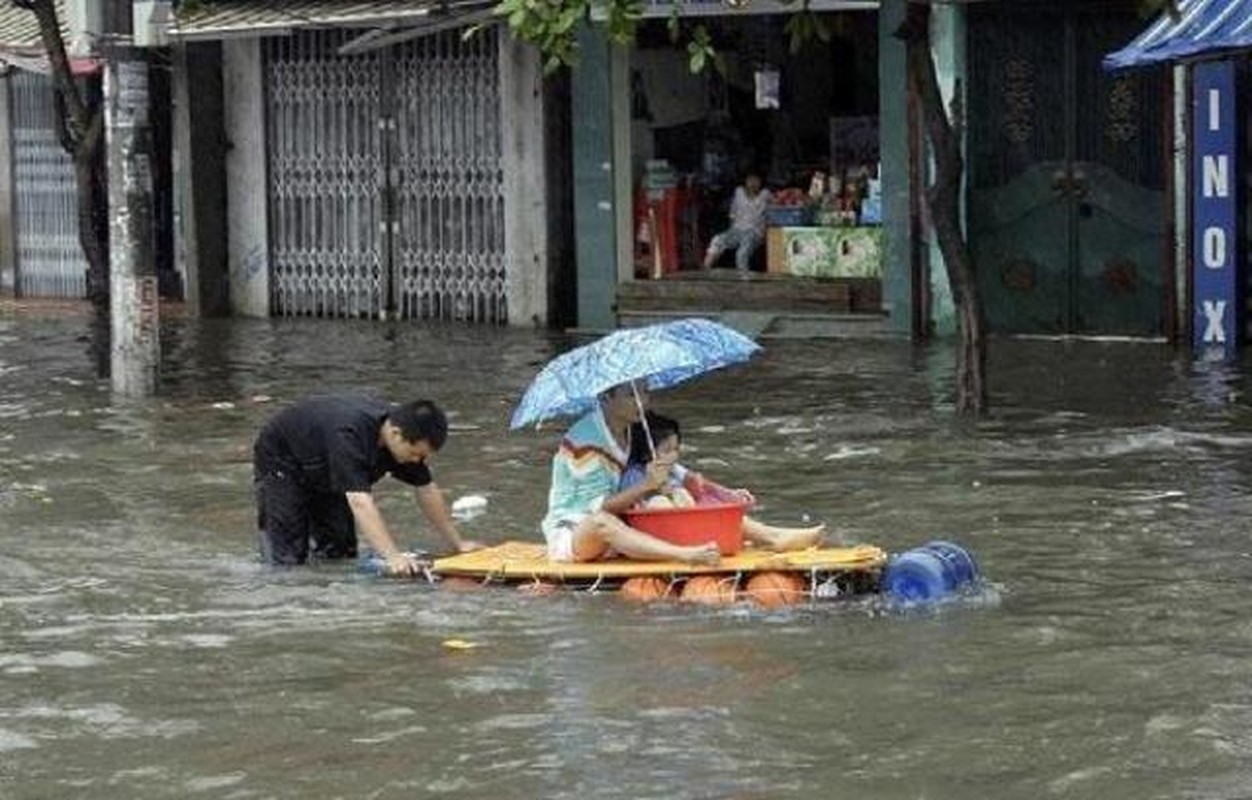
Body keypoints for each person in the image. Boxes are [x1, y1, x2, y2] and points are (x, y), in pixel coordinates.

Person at [252, 393, 482, 576]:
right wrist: (392, 557)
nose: (417, 462)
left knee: (339, 551)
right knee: (287, 559)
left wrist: (457, 543)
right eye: (415, 454)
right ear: (395, 434)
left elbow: (427, 489)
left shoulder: (402, 440)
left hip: (326, 464)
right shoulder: (350, 435)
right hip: (283, 460)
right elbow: (360, 502)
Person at [541, 383, 722, 565]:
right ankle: (684, 555)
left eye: (645, 391)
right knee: (601, 521)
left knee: (686, 498)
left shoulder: (633, 428)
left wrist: (716, 490)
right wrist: (646, 486)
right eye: (631, 395)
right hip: (575, 531)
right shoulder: (585, 442)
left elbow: (670, 465)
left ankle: (745, 535)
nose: (642, 401)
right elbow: (599, 508)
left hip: (622, 522)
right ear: (606, 397)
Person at [620, 411, 827, 551]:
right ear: (646, 452)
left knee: (714, 507)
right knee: (662, 502)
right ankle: (769, 537)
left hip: (687, 523)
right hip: (663, 534)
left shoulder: (672, 468)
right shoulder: (636, 474)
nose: (674, 455)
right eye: (667, 450)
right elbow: (637, 509)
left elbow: (701, 484)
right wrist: (657, 488)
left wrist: (727, 494)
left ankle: (776, 535)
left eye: (676, 449)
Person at [702, 172, 771, 272]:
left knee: (742, 252)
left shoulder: (765, 194)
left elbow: (776, 206)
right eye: (750, 180)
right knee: (717, 240)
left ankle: (743, 277)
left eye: (756, 181)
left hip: (754, 232)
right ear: (745, 181)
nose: (752, 183)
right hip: (737, 230)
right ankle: (705, 269)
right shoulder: (739, 192)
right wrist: (732, 228)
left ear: (761, 183)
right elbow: (732, 213)